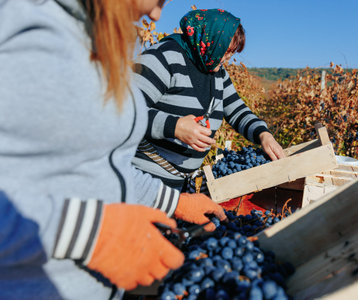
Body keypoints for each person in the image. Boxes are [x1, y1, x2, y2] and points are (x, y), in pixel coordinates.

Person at [0, 0, 226, 299]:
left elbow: (99, 163)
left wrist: (173, 202)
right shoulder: (18, 29)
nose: (157, 14)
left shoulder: (96, 41)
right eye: (158, 1)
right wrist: (93, 234)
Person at [132, 8, 286, 190]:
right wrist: (174, 127)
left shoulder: (216, 72)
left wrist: (263, 135)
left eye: (232, 53)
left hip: (180, 186)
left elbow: (237, 111)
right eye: (225, 51)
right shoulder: (163, 58)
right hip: (142, 182)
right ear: (210, 40)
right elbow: (122, 112)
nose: (227, 59)